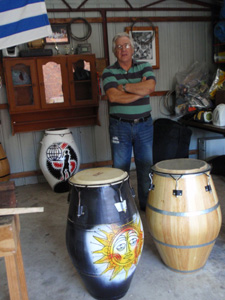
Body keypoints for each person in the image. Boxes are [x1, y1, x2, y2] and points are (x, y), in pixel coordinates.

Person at [102, 32, 156, 211]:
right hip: (120, 127)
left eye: (126, 45)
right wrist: (139, 92)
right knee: (120, 169)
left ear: (132, 49)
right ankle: (123, 209)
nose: (123, 49)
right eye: (119, 46)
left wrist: (125, 88)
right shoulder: (108, 72)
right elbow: (113, 97)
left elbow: (150, 87)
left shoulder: (145, 67)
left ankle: (146, 207)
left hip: (144, 126)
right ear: (114, 51)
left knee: (146, 167)